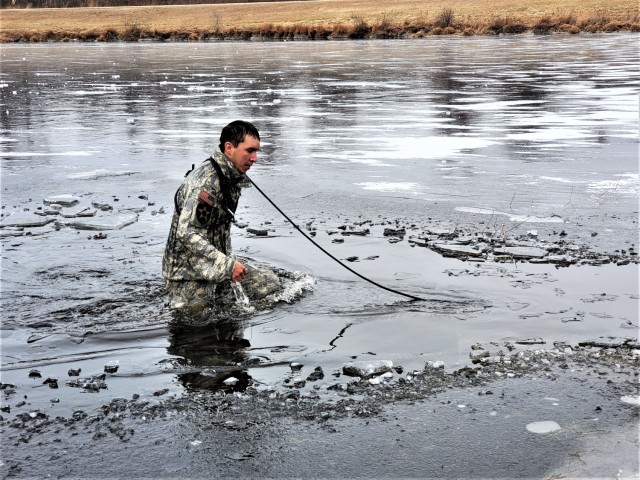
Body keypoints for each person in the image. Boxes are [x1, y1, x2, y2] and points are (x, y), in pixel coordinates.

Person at [163, 120, 280, 310]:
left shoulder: (230, 176)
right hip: (187, 275)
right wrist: (227, 266)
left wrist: (228, 264)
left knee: (271, 284)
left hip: (214, 266)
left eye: (256, 151)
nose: (255, 158)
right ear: (229, 148)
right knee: (198, 316)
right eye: (249, 151)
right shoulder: (207, 183)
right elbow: (187, 233)